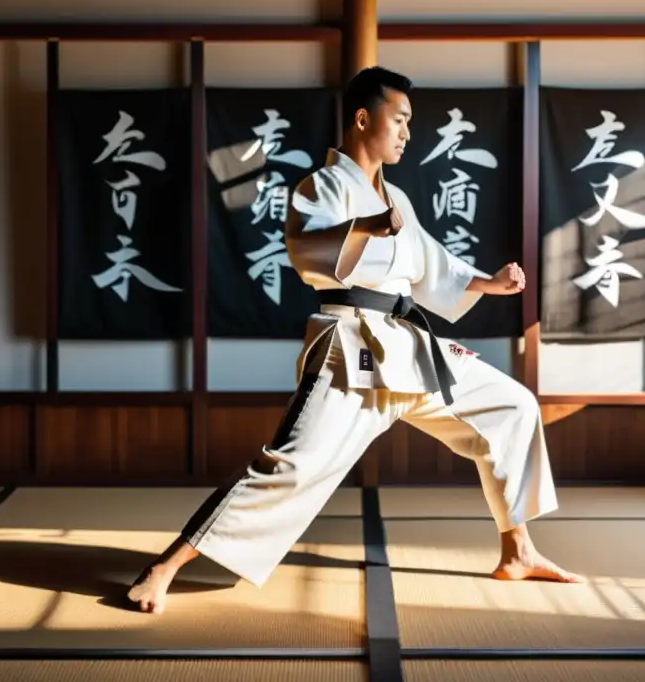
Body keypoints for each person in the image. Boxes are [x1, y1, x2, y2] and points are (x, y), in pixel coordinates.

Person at [127, 66, 583, 615]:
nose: (408, 132)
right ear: (364, 117)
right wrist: (367, 225)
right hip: (352, 351)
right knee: (291, 465)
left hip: (411, 348)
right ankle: (165, 568)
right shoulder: (320, 186)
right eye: (401, 119)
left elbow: (430, 267)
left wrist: (488, 283)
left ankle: (519, 552)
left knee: (512, 406)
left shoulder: (398, 199)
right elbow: (305, 252)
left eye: (411, 122)